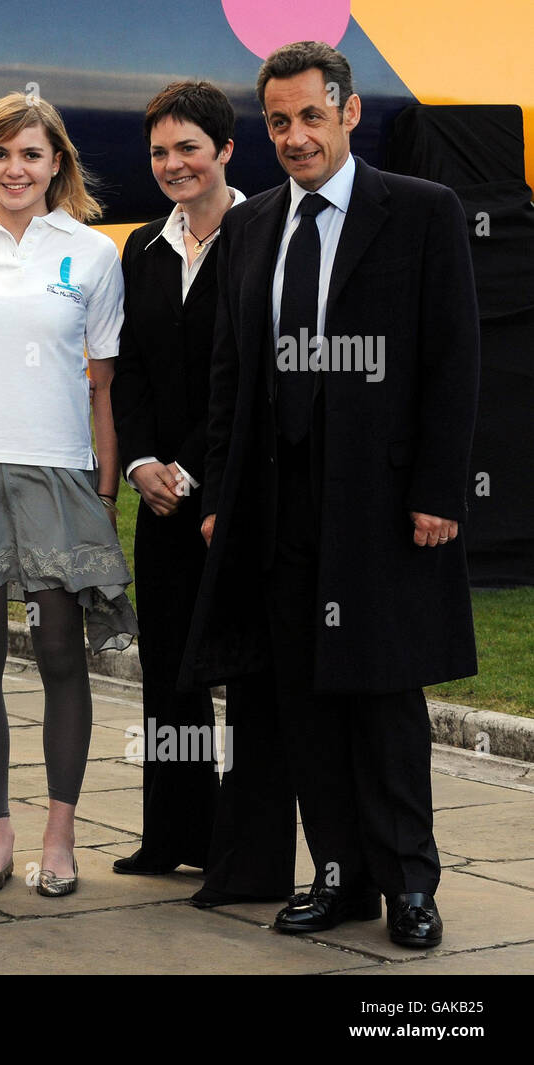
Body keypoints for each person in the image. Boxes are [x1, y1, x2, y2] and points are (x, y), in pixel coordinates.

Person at [183, 41, 480, 948]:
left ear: (350, 113)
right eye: (278, 120)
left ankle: (409, 885)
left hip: (384, 505)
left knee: (384, 699)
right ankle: (341, 878)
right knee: (303, 699)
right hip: (277, 504)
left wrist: (438, 489)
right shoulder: (249, 225)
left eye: (312, 115)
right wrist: (219, 495)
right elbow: (232, 372)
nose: (295, 135)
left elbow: (452, 360)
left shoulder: (422, 213)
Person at [0, 93, 138, 898]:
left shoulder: (93, 255)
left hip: (56, 474)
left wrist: (104, 490)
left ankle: (60, 833)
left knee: (57, 653)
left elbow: (104, 386)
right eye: (1, 154)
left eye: (32, 154)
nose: (16, 168)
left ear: (57, 165)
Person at [111, 82, 295, 907]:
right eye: (159, 151)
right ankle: (174, 831)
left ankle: (244, 851)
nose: (173, 164)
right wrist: (143, 461)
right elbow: (136, 370)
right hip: (160, 499)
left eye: (189, 147)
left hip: (237, 494)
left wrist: (192, 469)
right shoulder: (143, 246)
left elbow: (251, 378)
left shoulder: (268, 234)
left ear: (226, 150)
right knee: (170, 675)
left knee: (252, 678)